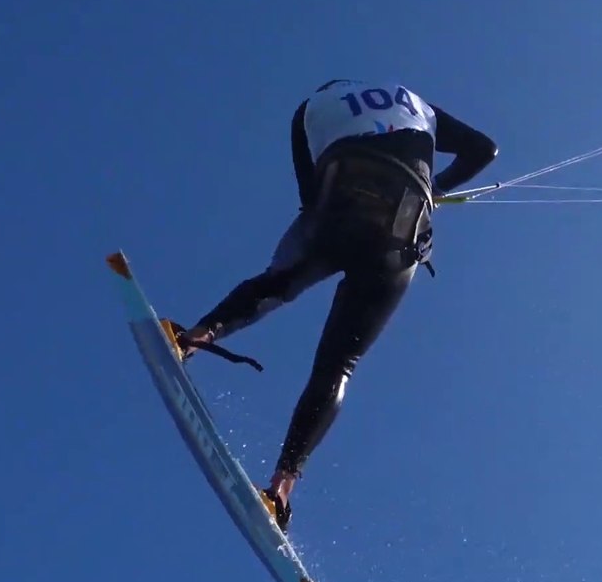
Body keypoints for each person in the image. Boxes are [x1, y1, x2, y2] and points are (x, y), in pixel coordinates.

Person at [163, 79, 497, 533]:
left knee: (278, 282)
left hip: (341, 198)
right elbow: (484, 150)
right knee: (339, 365)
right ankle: (279, 492)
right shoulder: (415, 102)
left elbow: (308, 195)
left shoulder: (309, 107)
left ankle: (191, 339)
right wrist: (436, 188)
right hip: (405, 225)